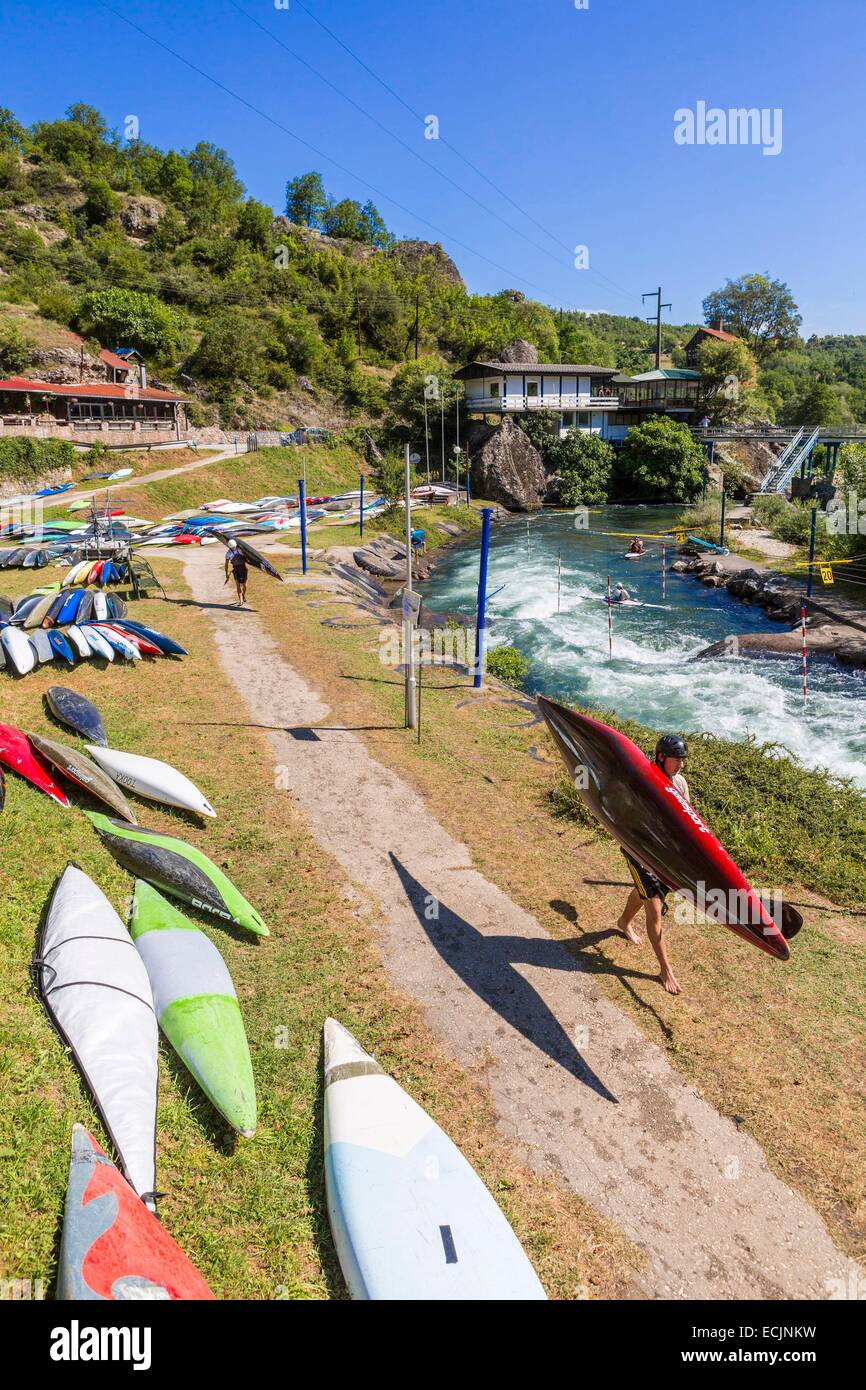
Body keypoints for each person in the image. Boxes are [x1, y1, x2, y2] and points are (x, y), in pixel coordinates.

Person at [617, 734, 689, 995]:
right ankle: (665, 970)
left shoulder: (679, 783)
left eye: (683, 760)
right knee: (655, 910)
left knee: (647, 892)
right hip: (638, 851)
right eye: (676, 760)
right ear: (661, 757)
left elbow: (685, 819)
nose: (680, 765)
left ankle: (624, 921)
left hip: (664, 856)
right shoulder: (642, 778)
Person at [224, 538, 249, 607]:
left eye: (234, 546)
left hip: (243, 569)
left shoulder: (240, 550)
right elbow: (226, 564)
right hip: (236, 570)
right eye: (232, 547)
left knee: (244, 585)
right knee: (238, 585)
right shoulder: (228, 553)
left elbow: (247, 557)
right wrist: (226, 574)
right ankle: (240, 600)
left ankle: (243, 595)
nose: (234, 548)